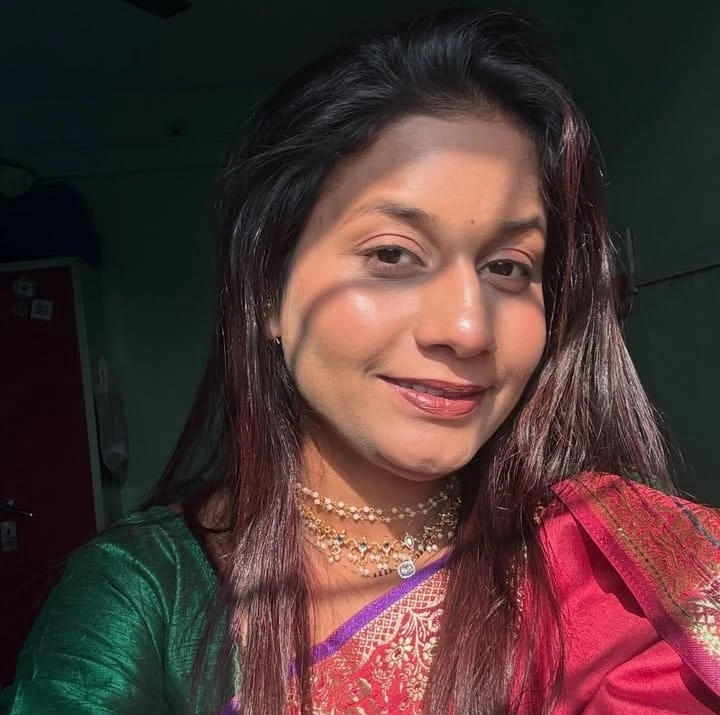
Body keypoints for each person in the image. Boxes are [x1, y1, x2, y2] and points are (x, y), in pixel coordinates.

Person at [2, 8, 719, 715]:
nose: (467, 329)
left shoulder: (609, 568)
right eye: (393, 255)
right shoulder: (144, 596)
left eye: (508, 266)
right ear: (266, 295)